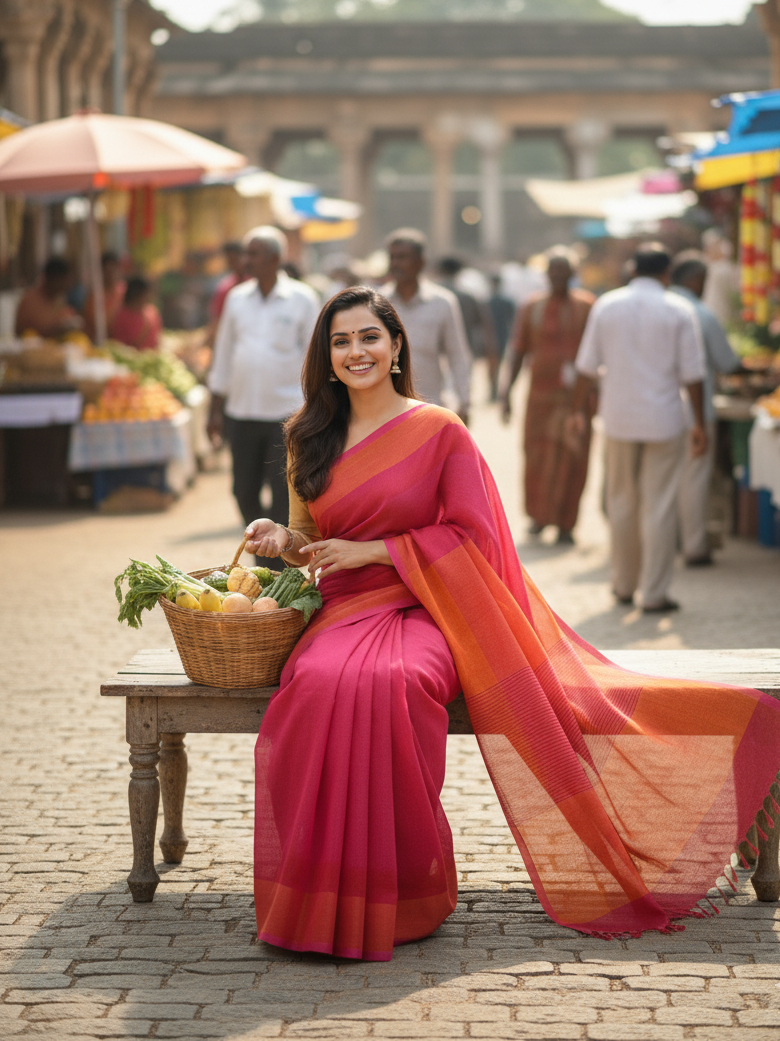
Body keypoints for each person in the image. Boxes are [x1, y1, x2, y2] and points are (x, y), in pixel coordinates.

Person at [241, 284, 780, 962]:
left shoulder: (440, 430)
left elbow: (475, 538)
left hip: (430, 608)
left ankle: (404, 892)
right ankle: (316, 891)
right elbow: (309, 542)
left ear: (396, 344)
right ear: (325, 356)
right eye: (340, 341)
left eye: (369, 337)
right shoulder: (307, 435)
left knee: (396, 682)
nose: (356, 352)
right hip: (346, 610)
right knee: (317, 683)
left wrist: (379, 551)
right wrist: (281, 538)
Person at [570, 245, 707, 613]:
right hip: (665, 419)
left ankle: (623, 584)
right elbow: (693, 375)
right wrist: (700, 423)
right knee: (659, 505)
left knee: (621, 501)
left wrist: (577, 411)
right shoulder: (679, 309)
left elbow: (586, 367)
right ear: (667, 274)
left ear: (632, 270)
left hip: (618, 419)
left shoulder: (607, 306)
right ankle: (655, 593)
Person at [207, 226, 318, 541]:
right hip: (241, 412)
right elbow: (224, 353)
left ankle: (276, 560)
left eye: (253, 254)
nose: (246, 260)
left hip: (287, 415)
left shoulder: (302, 299)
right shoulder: (236, 298)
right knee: (243, 490)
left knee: (284, 494)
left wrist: (317, 410)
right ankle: (261, 547)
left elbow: (315, 358)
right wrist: (214, 410)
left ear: (274, 259)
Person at [501, 250, 595, 544]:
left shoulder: (587, 306)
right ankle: (538, 517)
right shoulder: (532, 307)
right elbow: (518, 349)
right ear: (546, 275)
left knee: (574, 457)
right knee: (536, 456)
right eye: (553, 272)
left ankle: (566, 524)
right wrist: (506, 392)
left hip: (577, 399)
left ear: (572, 274)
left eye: (563, 272)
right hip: (540, 398)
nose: (558, 277)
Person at [671, 252, 740, 566]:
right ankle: (694, 546)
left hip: (661, 412)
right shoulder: (700, 313)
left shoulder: (659, 307)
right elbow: (726, 362)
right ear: (695, 280)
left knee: (665, 481)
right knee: (695, 479)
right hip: (694, 412)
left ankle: (668, 544)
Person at [381, 228, 471, 421]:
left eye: (402, 257)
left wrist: (464, 401)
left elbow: (457, 355)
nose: (395, 264)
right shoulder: (378, 303)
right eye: (392, 257)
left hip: (430, 409)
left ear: (420, 262)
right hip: (385, 411)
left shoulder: (442, 302)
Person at [15, 257, 81, 338]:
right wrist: (58, 325)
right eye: (64, 281)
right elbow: (35, 330)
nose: (67, 285)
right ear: (53, 279)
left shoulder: (58, 298)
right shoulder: (30, 301)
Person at [206, 240, 248, 347]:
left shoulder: (255, 283)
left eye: (235, 259)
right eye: (230, 260)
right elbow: (216, 319)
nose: (233, 264)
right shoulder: (225, 288)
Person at [109, 277, 163, 350]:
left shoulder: (152, 312)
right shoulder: (120, 315)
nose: (149, 298)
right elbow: (119, 344)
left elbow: (156, 339)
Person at [486, 272, 517, 400]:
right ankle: (495, 391)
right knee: (498, 365)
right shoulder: (506, 301)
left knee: (493, 365)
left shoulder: (487, 301)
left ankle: (494, 391)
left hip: (492, 337)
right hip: (502, 335)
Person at [83, 251, 125, 342]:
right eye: (107, 271)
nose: (110, 275)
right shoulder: (94, 295)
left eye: (113, 270)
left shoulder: (124, 292)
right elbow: (93, 322)